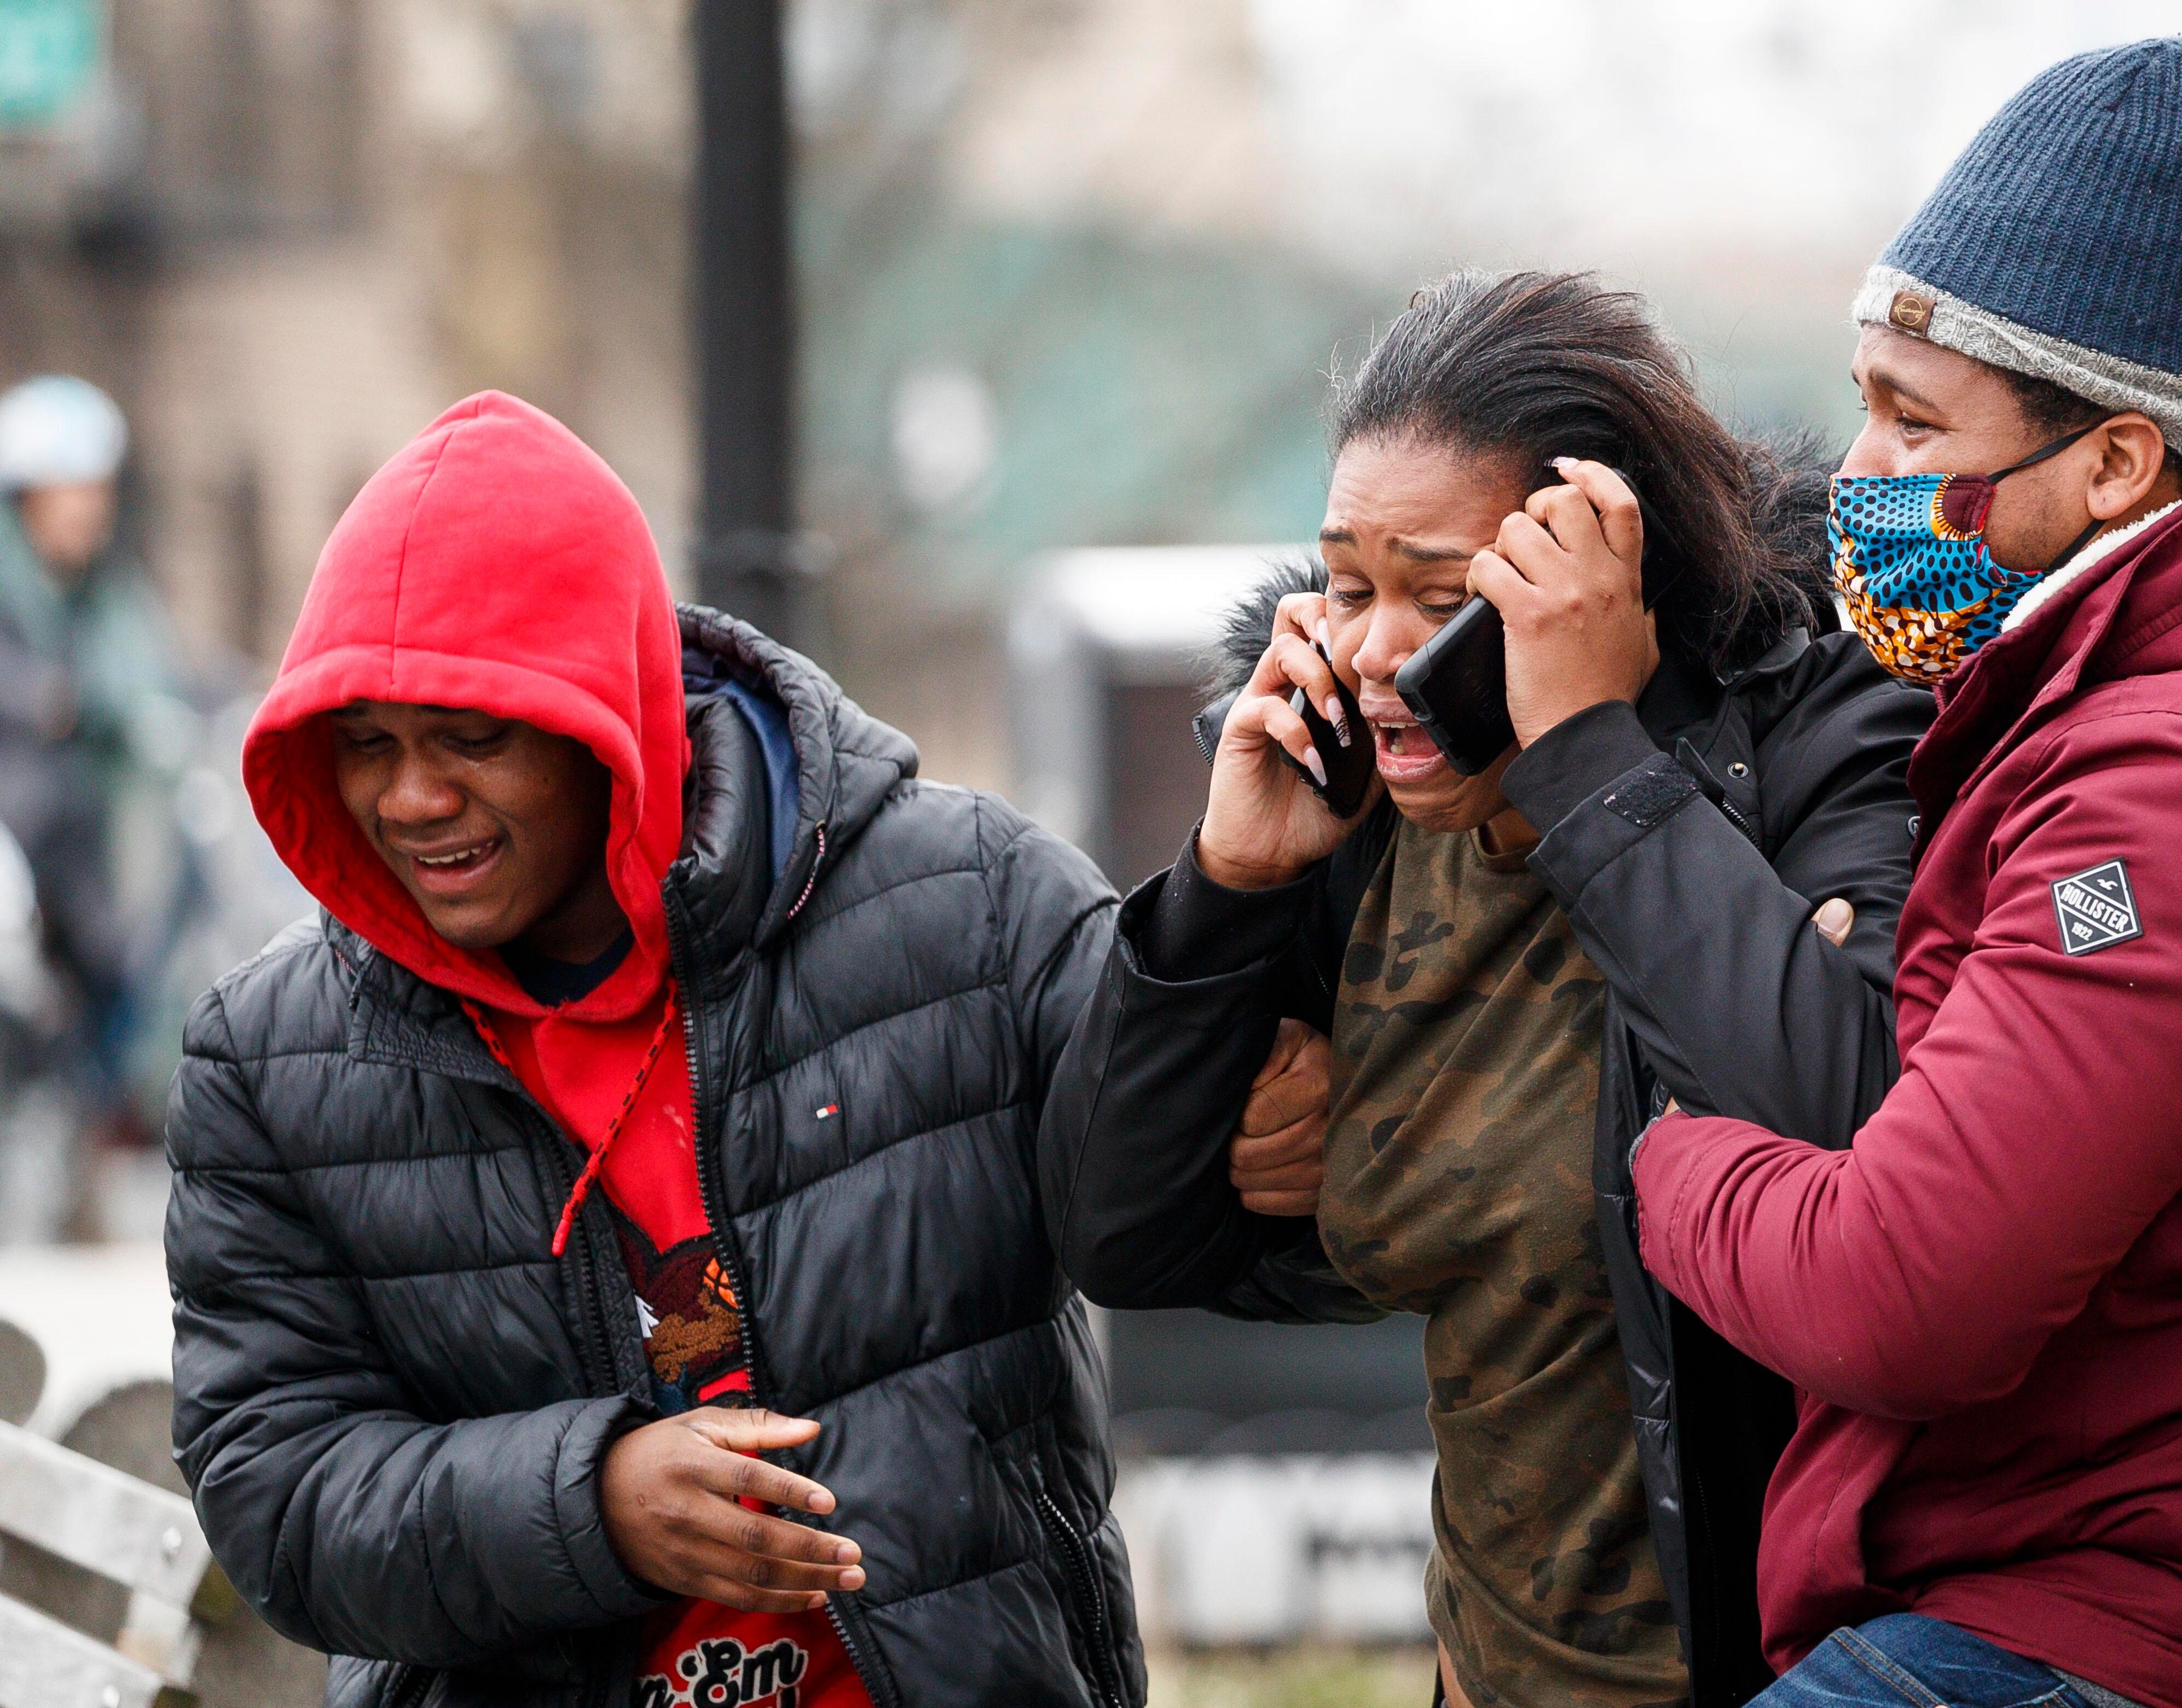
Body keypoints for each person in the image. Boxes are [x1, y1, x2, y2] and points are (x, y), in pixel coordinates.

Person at [1630, 40, 2182, 1708]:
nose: (1862, 475)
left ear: (2119, 465)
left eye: (1918, 422)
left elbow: (1906, 1292)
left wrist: (1672, 1165)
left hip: (2129, 1644)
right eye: (1866, 405)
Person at [167, 392, 1156, 1707]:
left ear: (607, 719)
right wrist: (595, 1504)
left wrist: (1238, 938)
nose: (410, 798)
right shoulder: (267, 1058)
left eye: (473, 735)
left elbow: (1219, 1235)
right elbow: (277, 1498)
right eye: (366, 746)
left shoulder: (977, 906)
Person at [1038, 271, 1930, 1708]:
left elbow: (1854, 1136)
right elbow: (1123, 1241)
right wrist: (1225, 891)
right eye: (1347, 585)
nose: (1377, 651)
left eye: (1444, 598)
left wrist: (1585, 743)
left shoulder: (1813, 753)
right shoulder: (1362, 821)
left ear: (1597, 575)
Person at [0, 375, 186, 1126]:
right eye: (67, 491)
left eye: (95, 490)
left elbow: (160, 673)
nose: (87, 509)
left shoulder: (110, 597)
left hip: (100, 835)